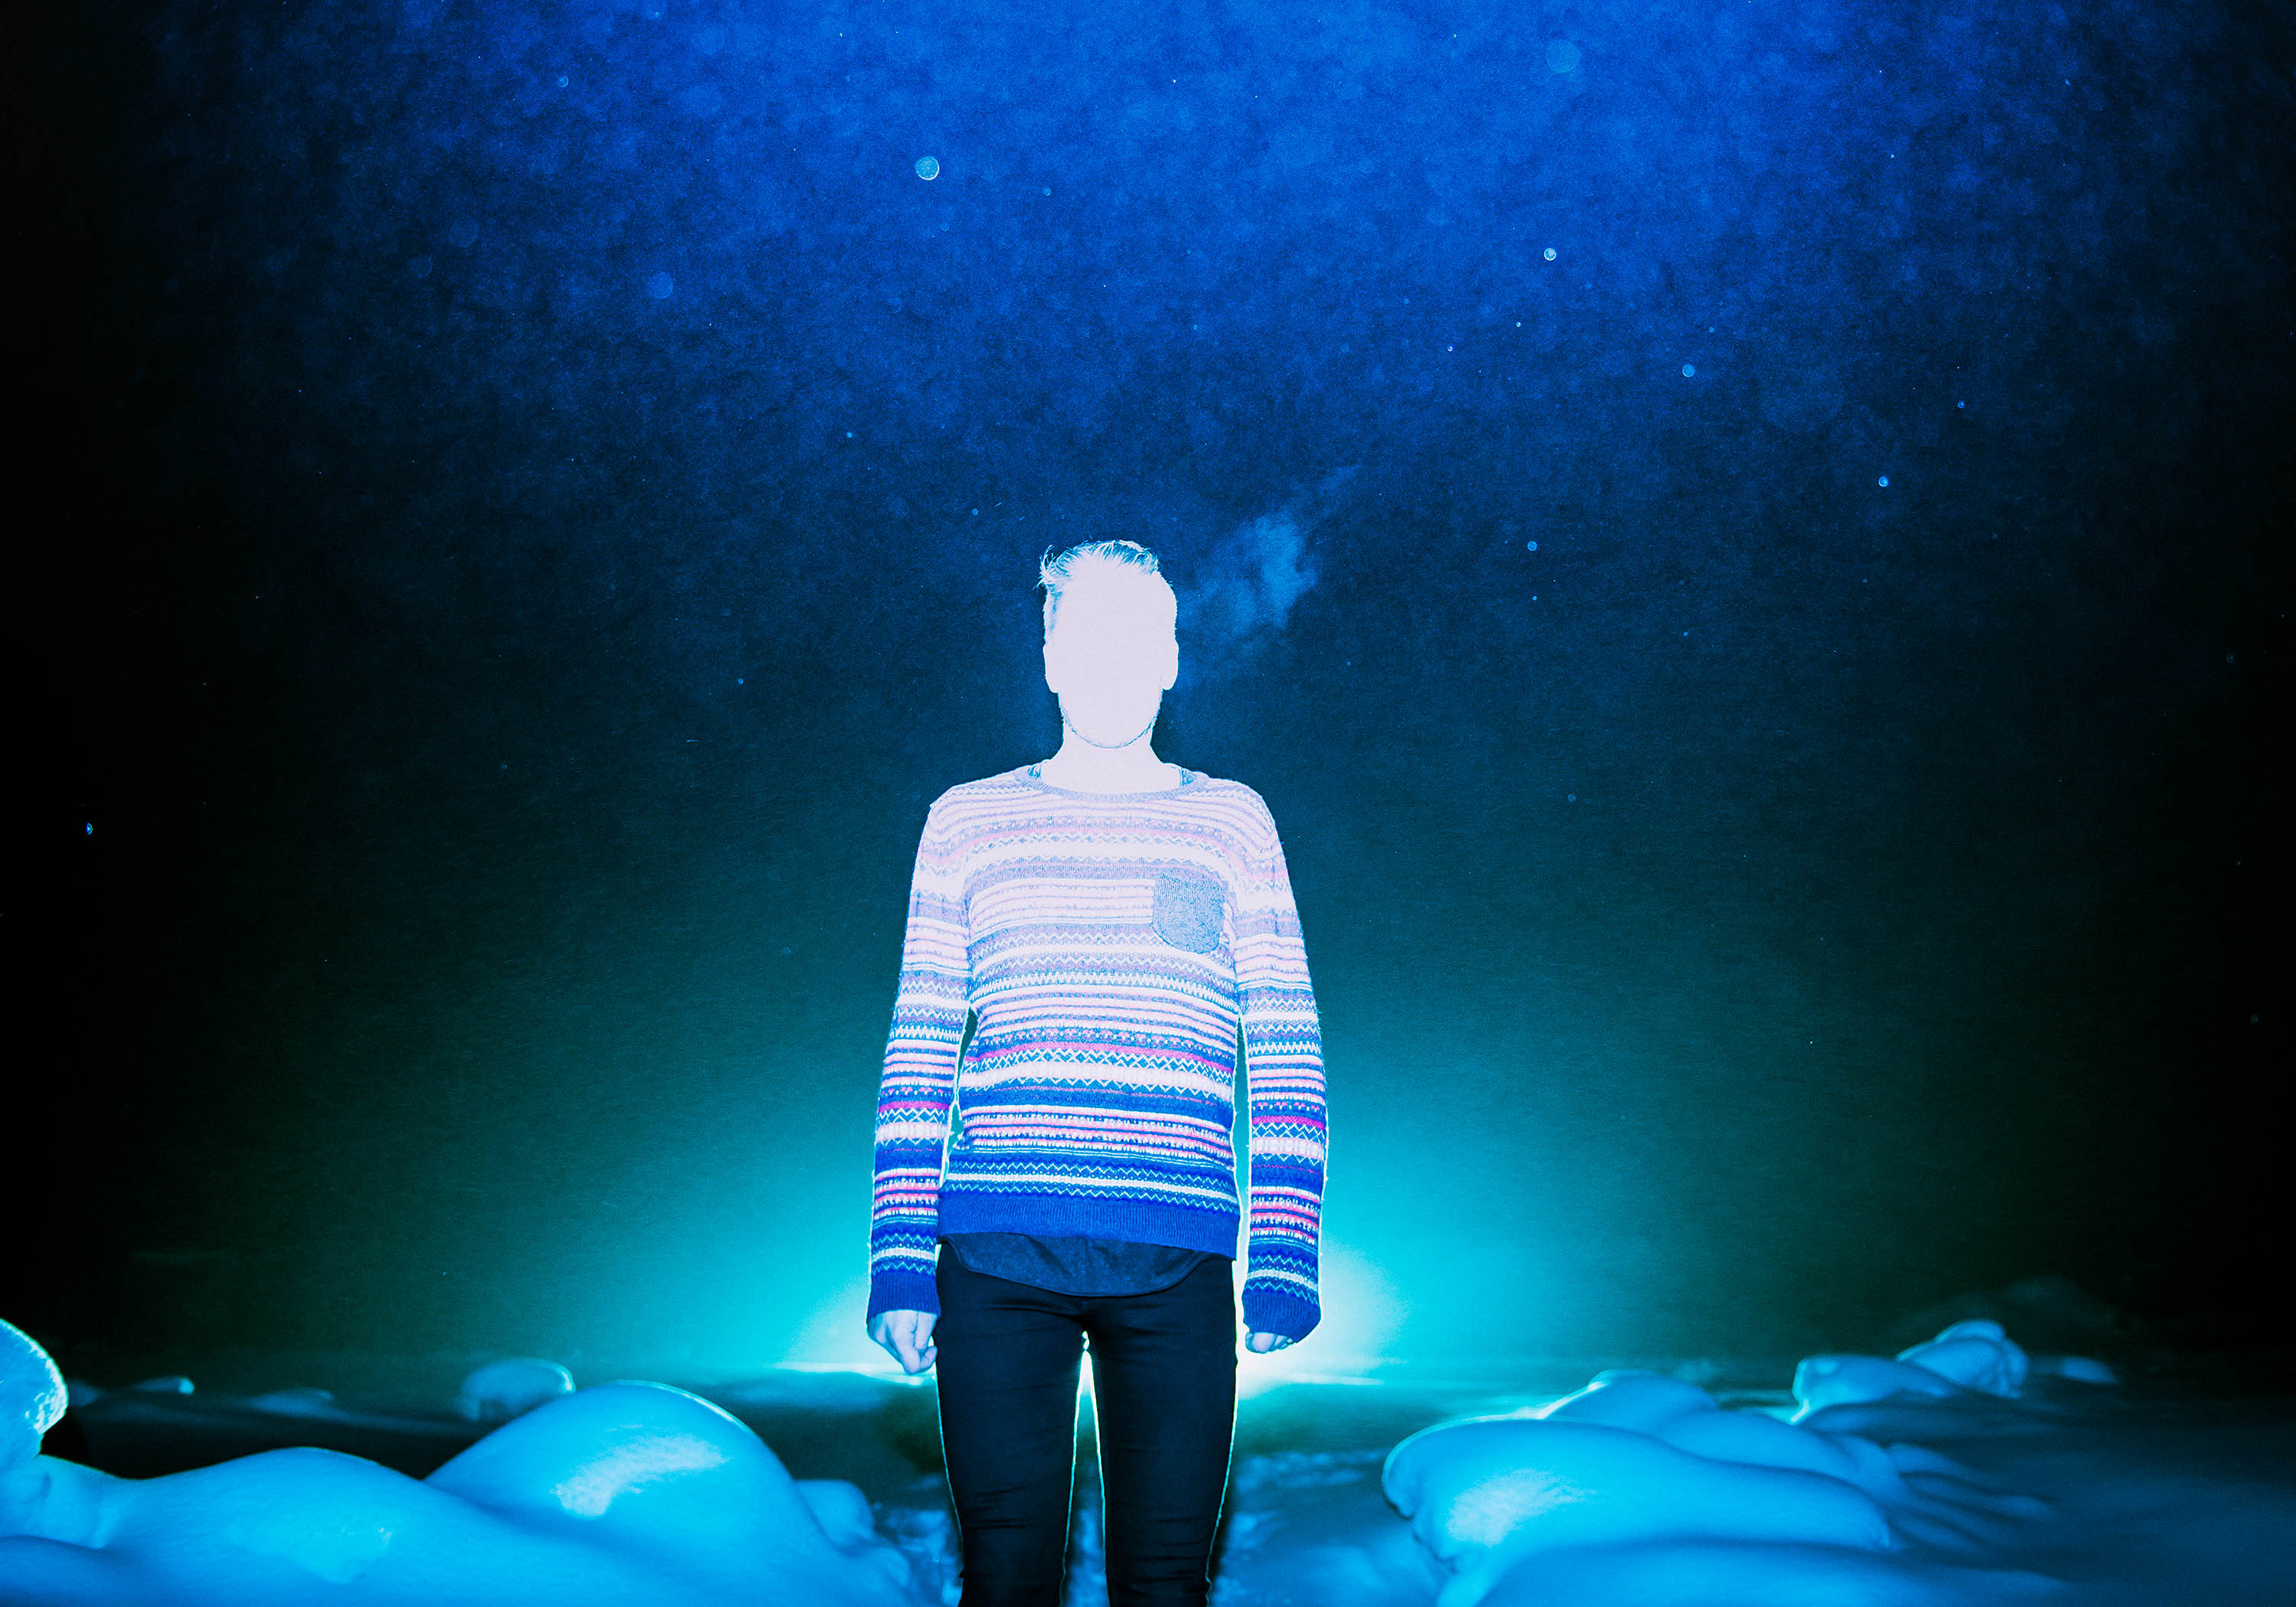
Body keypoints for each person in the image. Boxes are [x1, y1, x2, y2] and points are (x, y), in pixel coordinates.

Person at [865, 539, 1329, 1607]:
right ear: (1049, 658)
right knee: (1005, 1576)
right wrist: (899, 1258)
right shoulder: (965, 821)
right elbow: (922, 1039)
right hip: (994, 1256)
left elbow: (1288, 1043)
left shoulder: (1232, 822)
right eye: (1087, 636)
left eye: (1138, 637)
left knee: (1166, 1584)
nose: (1112, 662)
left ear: (1172, 660)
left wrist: (1285, 1256)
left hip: (1179, 1256)